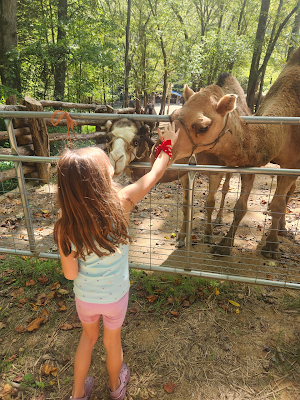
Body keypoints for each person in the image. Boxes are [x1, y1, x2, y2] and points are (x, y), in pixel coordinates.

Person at [53, 122, 179, 400]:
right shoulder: (122, 201)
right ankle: (116, 389)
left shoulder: (65, 226)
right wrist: (167, 144)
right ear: (101, 178)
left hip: (86, 297)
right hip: (116, 296)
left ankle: (77, 394)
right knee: (112, 342)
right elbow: (155, 174)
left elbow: (71, 275)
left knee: (87, 338)